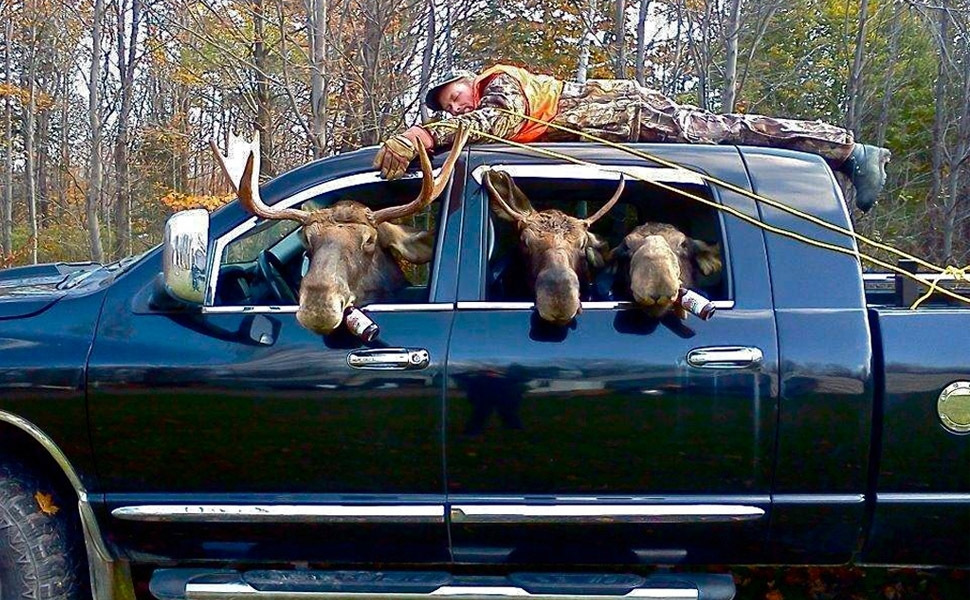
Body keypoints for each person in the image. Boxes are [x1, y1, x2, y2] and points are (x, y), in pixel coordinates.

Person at [374, 65, 891, 212]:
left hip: (625, 117)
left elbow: (498, 121)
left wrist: (422, 134)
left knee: (729, 134)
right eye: (446, 108)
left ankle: (847, 150)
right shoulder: (483, 109)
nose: (456, 105)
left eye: (454, 95)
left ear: (467, 81)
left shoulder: (500, 85)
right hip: (617, 126)